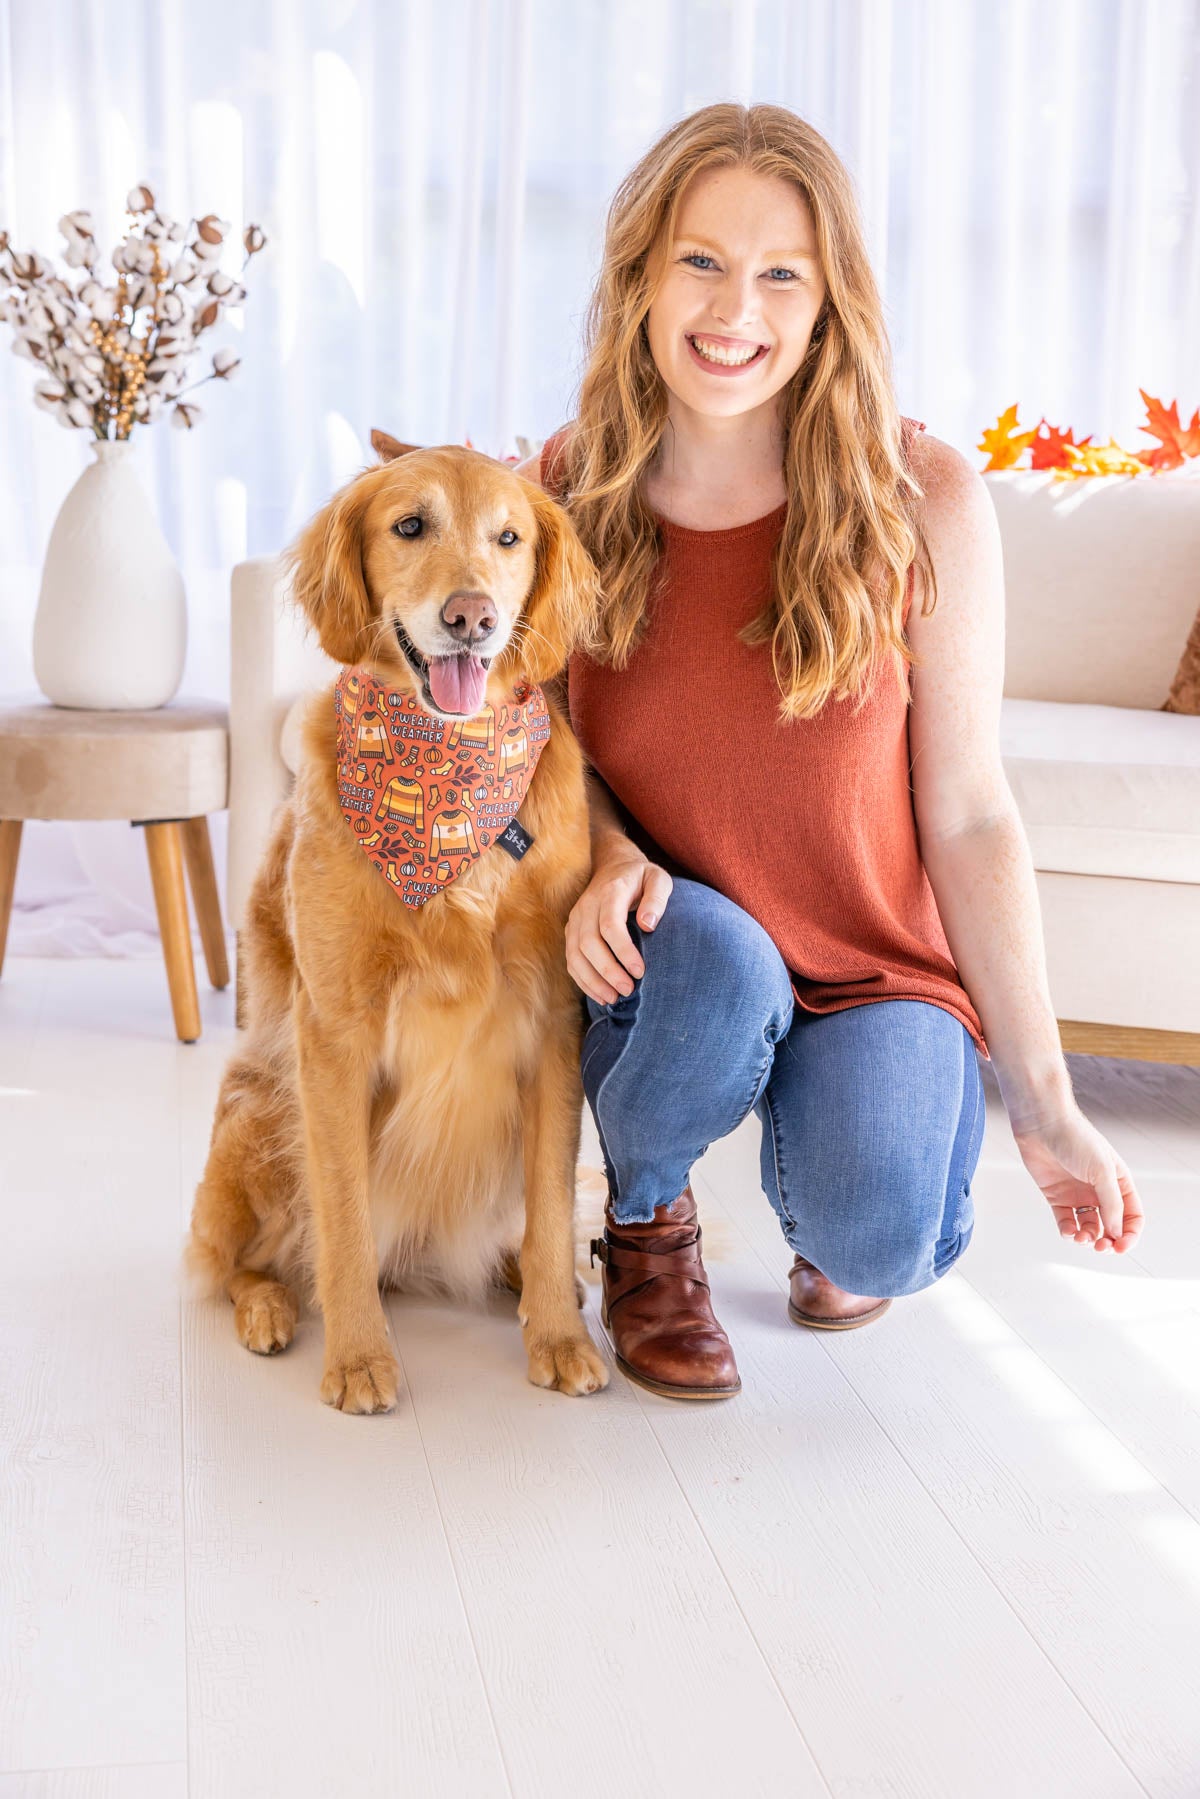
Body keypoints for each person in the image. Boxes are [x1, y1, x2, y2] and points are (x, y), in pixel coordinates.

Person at [516, 101, 1144, 1403]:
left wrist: (1047, 1101)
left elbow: (968, 812)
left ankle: (840, 1173)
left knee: (885, 1236)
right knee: (723, 967)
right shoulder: (574, 481)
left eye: (780, 274)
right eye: (700, 260)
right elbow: (542, 734)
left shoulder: (923, 496)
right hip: (676, 950)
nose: (732, 309)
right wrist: (610, 850)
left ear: (829, 301)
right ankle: (645, 1214)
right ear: (641, 277)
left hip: (873, 964)